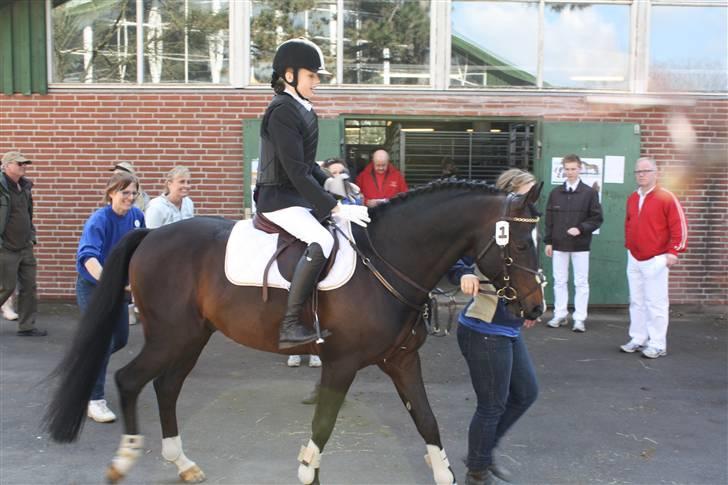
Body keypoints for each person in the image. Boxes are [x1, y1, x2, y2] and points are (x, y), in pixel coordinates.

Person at [254, 38, 370, 349]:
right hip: (277, 199)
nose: (317, 82)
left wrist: (338, 184)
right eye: (312, 76)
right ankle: (290, 324)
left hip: (296, 197)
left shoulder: (303, 108)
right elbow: (295, 172)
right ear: (289, 75)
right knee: (324, 240)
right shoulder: (281, 111)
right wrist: (333, 207)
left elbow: (308, 167)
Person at [452, 168, 539, 485]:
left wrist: (530, 306)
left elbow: (526, 269)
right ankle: (477, 471)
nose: (530, 202)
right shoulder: (484, 227)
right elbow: (451, 254)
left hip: (509, 326)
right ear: (510, 194)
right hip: (484, 328)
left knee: (526, 394)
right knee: (492, 405)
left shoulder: (521, 228)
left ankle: (482, 453)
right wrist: (462, 272)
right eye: (526, 194)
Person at [76, 172, 145, 422]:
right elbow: (88, 257)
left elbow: (141, 250)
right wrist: (110, 281)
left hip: (119, 290)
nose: (129, 197)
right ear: (111, 193)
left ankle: (86, 365)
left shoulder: (137, 217)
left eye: (133, 193)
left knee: (120, 339)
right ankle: (94, 401)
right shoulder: (99, 220)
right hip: (94, 287)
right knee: (101, 343)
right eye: (124, 192)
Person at [621, 157, 687, 359]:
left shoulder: (666, 197)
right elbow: (629, 224)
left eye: (646, 171)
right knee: (637, 301)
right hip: (634, 256)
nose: (641, 174)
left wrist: (673, 252)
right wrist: (630, 247)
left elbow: (679, 227)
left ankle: (658, 344)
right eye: (638, 171)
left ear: (656, 173)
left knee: (655, 303)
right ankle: (638, 338)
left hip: (656, 258)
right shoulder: (632, 197)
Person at [544, 154, 603, 333]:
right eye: (567, 169)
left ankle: (579, 318)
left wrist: (581, 228)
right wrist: (548, 242)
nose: (570, 172)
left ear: (580, 169)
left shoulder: (590, 193)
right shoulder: (555, 193)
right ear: (563, 169)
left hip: (580, 245)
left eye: (573, 169)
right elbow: (549, 220)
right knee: (559, 280)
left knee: (581, 282)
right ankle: (560, 314)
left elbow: (597, 218)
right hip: (559, 244)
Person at [0, 151, 46, 336]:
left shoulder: (25, 187)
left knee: (29, 287)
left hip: (25, 246)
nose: (23, 166)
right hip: (6, 248)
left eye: (24, 164)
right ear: (6, 165)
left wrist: (31, 236)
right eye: (19, 164)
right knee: (6, 287)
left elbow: (28, 214)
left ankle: (26, 326)